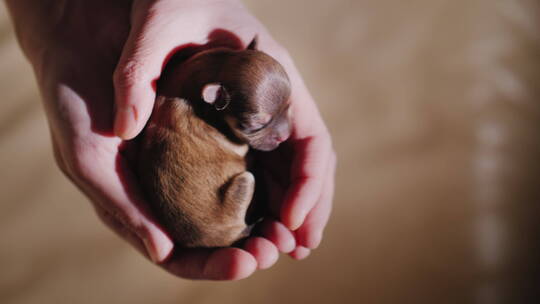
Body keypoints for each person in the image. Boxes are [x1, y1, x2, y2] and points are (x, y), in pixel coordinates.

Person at [5, 0, 336, 280]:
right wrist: (53, 24)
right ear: (214, 97)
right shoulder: (194, 114)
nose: (283, 132)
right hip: (223, 210)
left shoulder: (200, 93)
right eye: (259, 124)